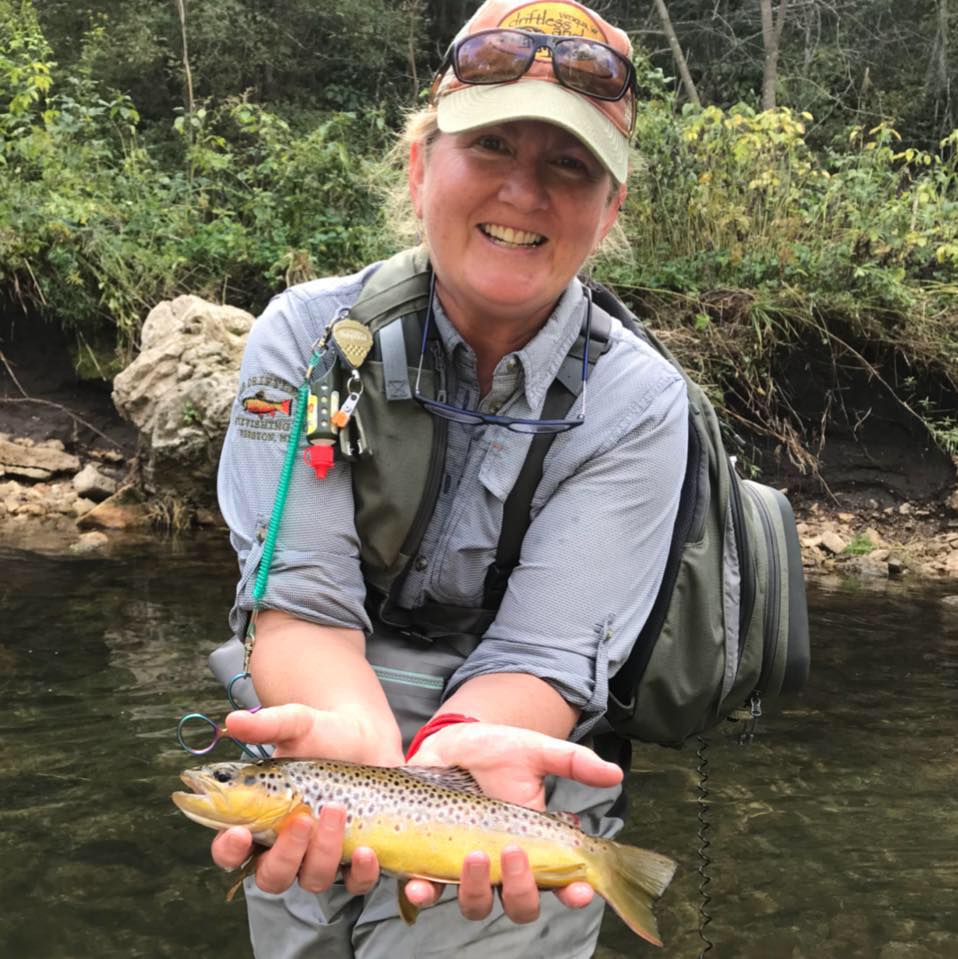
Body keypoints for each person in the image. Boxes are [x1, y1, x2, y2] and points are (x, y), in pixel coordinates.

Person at [212, 1, 689, 956]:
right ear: (421, 162)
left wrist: (447, 781)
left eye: (570, 165)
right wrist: (359, 761)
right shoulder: (306, 339)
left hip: (509, 749)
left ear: (611, 208)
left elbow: (544, 660)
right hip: (323, 717)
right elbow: (298, 605)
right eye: (492, 147)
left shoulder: (639, 402)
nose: (525, 190)